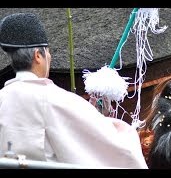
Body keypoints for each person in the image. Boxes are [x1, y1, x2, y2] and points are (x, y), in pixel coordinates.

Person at [0, 13, 148, 168]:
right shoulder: (55, 100)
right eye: (48, 52)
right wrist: (105, 123)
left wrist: (95, 116)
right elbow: (116, 147)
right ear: (38, 56)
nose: (49, 57)